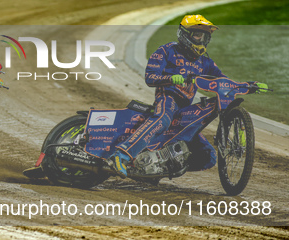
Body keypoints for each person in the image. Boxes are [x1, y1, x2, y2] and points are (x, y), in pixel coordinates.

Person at [108, 14, 267, 177]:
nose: (201, 39)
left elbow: (223, 80)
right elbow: (150, 77)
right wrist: (171, 78)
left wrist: (247, 85)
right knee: (162, 119)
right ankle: (121, 155)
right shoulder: (167, 50)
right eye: (198, 35)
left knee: (209, 156)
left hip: (186, 108)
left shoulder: (206, 62)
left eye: (205, 36)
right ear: (185, 35)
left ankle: (156, 170)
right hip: (168, 98)